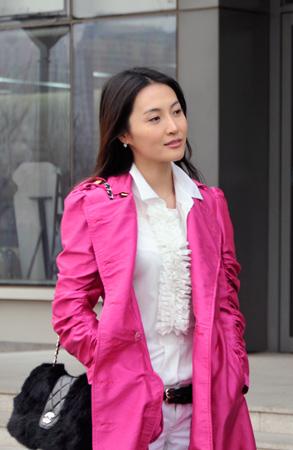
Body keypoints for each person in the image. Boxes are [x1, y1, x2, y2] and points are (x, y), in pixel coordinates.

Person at [52, 67, 255, 450]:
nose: (173, 127)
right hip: (131, 406)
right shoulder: (94, 203)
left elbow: (227, 301)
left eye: (176, 112)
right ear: (123, 133)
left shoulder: (209, 203)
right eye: (155, 118)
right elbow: (69, 308)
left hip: (208, 404)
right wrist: (111, 360)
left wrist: (234, 367)